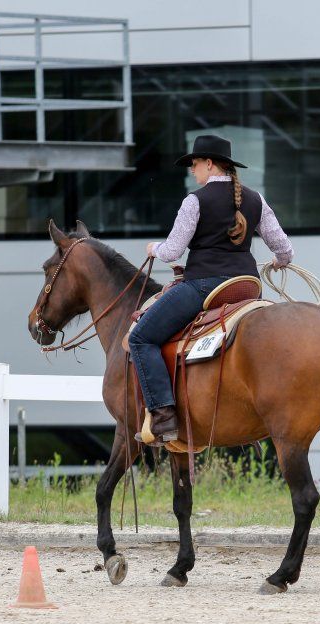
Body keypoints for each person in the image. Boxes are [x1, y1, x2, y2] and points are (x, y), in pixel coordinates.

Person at [129, 134, 294, 442]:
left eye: (194, 164)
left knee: (141, 337)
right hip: (247, 288)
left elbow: (173, 252)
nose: (192, 170)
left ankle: (163, 417)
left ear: (209, 163)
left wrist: (153, 248)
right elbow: (284, 249)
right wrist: (278, 262)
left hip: (205, 287)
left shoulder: (195, 201)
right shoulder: (256, 199)